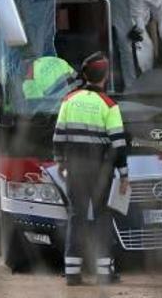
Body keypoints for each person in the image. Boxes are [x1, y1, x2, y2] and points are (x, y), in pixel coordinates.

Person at [53, 52, 129, 286]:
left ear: (85, 75)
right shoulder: (109, 105)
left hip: (75, 168)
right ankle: (105, 272)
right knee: (102, 217)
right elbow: (118, 143)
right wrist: (124, 175)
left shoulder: (68, 100)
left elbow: (59, 136)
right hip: (100, 170)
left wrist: (61, 162)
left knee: (76, 216)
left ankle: (72, 273)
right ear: (105, 76)